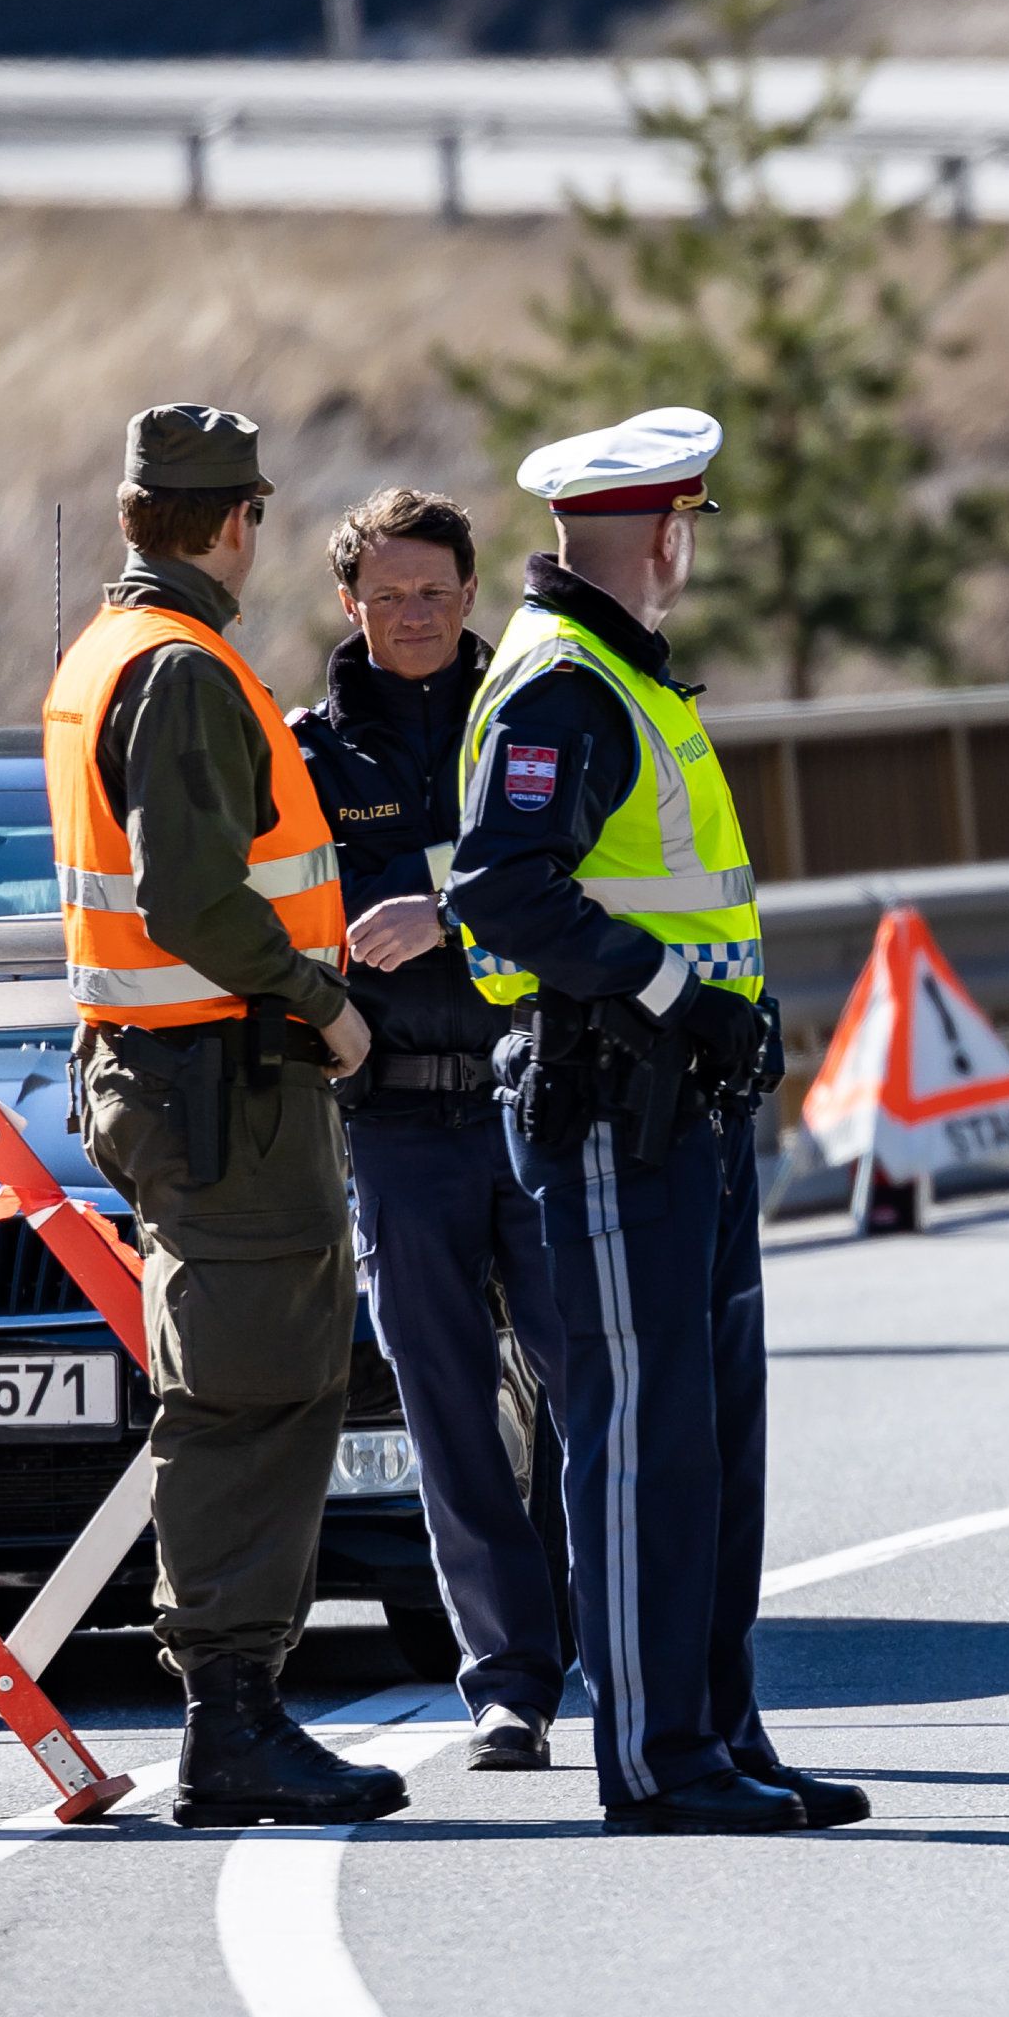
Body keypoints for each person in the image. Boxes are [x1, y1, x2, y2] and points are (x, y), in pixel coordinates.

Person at [445, 407, 867, 1836]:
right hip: (615, 1109)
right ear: (666, 533)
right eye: (688, 524)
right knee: (641, 1435)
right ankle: (655, 1758)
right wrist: (677, 994)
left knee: (713, 1437)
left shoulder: (621, 676)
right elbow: (502, 888)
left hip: (684, 1109)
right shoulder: (562, 686)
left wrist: (704, 1016)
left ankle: (715, 1729)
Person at [41, 403, 405, 1828]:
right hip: (226, 1081)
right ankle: (234, 1722)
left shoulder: (105, 655)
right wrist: (322, 1000)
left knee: (243, 1384)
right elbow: (194, 897)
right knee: (256, 1393)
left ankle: (237, 1714)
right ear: (237, 519)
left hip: (177, 1074)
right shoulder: (183, 671)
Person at [288, 487, 572, 1772]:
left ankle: (623, 1654)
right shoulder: (301, 758)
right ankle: (507, 1681)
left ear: (473, 597)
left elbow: (581, 875)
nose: (416, 616)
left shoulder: (531, 716)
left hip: (540, 1098)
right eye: (390, 595)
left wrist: (449, 914)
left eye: (438, 593)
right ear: (350, 605)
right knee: (450, 1415)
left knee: (597, 1393)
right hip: (396, 1124)